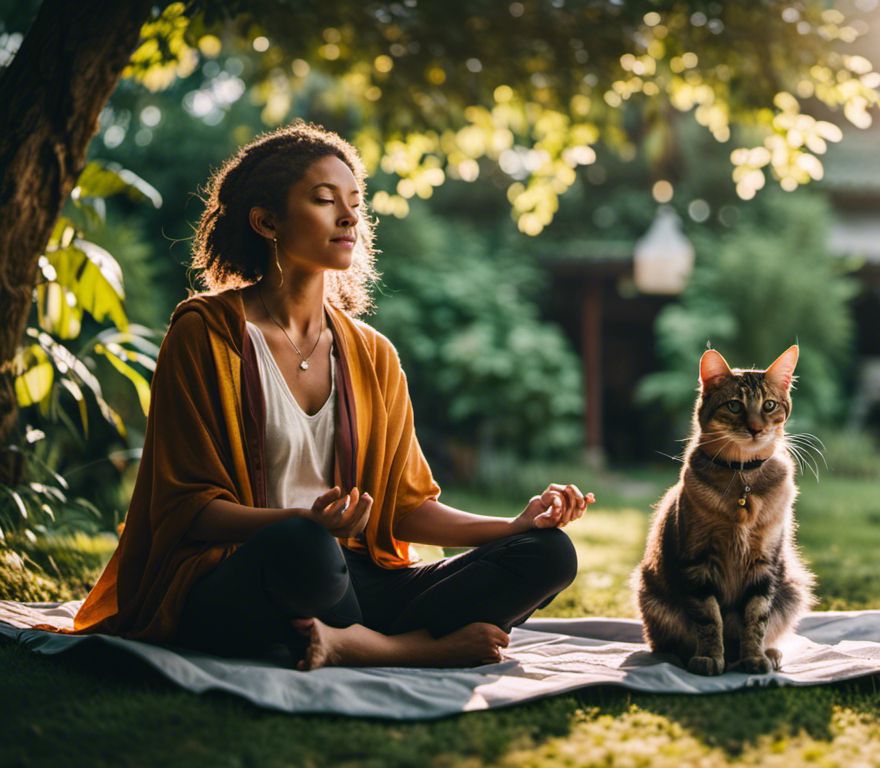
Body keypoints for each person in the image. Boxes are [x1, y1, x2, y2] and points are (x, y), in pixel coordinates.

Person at [73, 121, 594, 671]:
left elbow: (407, 508)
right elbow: (188, 512)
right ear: (266, 220)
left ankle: (337, 638)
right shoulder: (205, 333)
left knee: (547, 555)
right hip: (247, 571)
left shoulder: (373, 354)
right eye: (324, 200)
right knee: (303, 547)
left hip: (351, 578)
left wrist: (513, 525)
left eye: (355, 202)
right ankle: (398, 650)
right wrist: (304, 524)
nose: (349, 217)